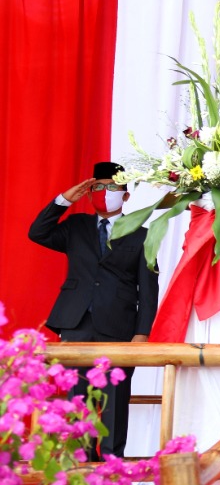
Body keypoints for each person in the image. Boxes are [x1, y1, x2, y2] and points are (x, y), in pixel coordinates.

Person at [28, 162, 159, 458]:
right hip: (76, 324)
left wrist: (142, 332)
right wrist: (64, 200)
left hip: (119, 326)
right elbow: (37, 233)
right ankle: (81, 464)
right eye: (98, 187)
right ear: (89, 192)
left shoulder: (142, 234)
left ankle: (112, 465)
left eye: (112, 188)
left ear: (125, 196)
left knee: (114, 399)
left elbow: (148, 288)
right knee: (79, 398)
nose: (104, 193)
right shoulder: (76, 227)